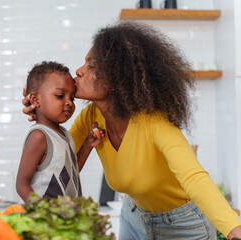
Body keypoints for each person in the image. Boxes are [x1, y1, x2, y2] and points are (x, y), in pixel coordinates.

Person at [22, 22, 241, 239]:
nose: (79, 71)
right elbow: (61, 161)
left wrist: (234, 229)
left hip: (183, 226)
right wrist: (41, 113)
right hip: (134, 218)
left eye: (92, 66)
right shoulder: (91, 117)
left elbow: (195, 178)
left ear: (119, 77)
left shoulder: (154, 122)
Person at [16, 61, 104, 202]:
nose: (69, 102)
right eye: (60, 96)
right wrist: (43, 212)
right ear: (35, 99)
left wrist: (87, 146)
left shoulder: (64, 134)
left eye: (72, 98)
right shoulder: (39, 136)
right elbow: (21, 184)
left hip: (66, 219)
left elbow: (71, 172)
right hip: (46, 220)